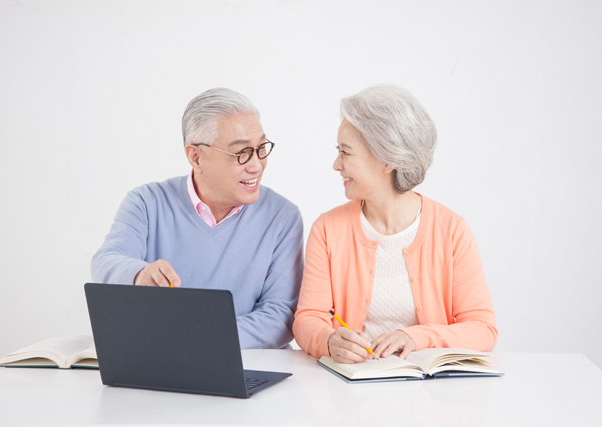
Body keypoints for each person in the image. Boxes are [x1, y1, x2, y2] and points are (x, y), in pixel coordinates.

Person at [293, 84, 497, 363]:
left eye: (346, 152)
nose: (336, 165)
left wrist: (416, 337)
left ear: (387, 159)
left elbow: (483, 329)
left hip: (428, 386)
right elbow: (308, 318)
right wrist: (328, 340)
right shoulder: (328, 230)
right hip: (351, 386)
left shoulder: (452, 231)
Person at [91, 88, 304, 349]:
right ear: (196, 157)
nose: (256, 165)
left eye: (261, 148)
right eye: (242, 153)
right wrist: (139, 274)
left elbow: (280, 316)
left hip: (245, 361)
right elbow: (106, 260)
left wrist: (198, 335)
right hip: (162, 359)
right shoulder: (146, 202)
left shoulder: (283, 217)